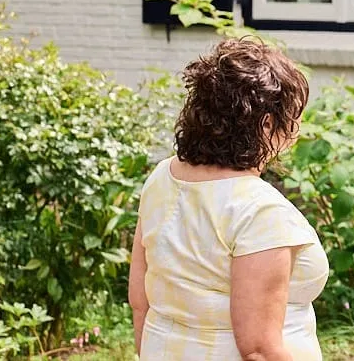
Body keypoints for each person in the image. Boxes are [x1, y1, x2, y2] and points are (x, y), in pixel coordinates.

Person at [128, 38, 326, 361]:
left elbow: (140, 298)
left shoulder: (162, 179)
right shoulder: (261, 211)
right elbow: (260, 350)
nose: (297, 133)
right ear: (266, 126)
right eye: (293, 120)